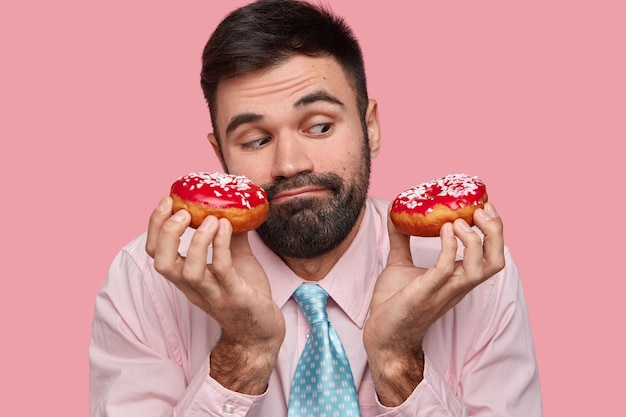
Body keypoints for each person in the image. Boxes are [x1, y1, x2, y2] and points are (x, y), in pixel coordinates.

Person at [89, 0, 542, 416]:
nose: (290, 164)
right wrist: (242, 355)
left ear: (371, 128)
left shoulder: (472, 271)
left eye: (320, 127)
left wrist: (399, 362)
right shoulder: (146, 281)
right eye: (256, 140)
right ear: (221, 158)